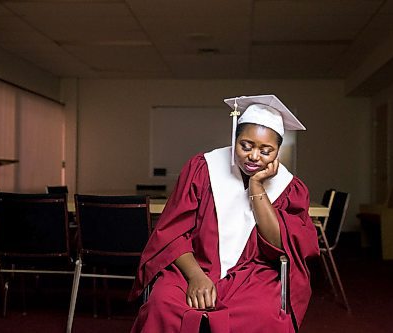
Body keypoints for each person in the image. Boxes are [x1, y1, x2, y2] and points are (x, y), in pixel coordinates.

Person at [129, 94, 319, 333]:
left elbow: (280, 243)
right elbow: (172, 232)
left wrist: (257, 187)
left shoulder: (290, 187)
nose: (253, 156)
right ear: (234, 138)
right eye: (246, 146)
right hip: (193, 264)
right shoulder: (203, 168)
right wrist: (196, 276)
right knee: (162, 306)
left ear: (278, 152)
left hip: (254, 274)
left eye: (266, 150)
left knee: (264, 315)